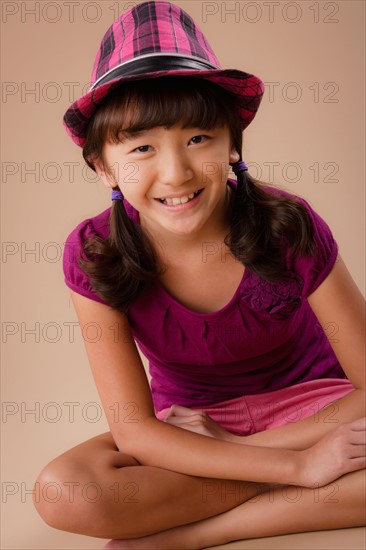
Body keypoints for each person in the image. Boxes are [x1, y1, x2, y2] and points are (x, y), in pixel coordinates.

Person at [33, 2, 365, 548]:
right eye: (141, 148)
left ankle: (187, 537)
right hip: (191, 428)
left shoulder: (288, 225)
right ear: (102, 166)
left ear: (233, 144)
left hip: (319, 409)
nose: (176, 172)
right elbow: (135, 430)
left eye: (198, 139)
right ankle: (298, 485)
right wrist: (299, 469)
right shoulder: (94, 252)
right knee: (65, 492)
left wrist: (298, 450)